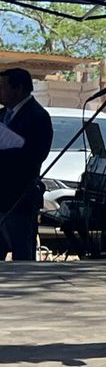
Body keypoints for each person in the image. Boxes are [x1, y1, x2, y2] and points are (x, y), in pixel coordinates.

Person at [0, 68, 53, 261]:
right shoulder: (2, 114)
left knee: (22, 256)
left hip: (20, 197)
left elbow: (34, 155)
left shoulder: (38, 117)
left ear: (19, 89)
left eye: (2, 87)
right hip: (1, 197)